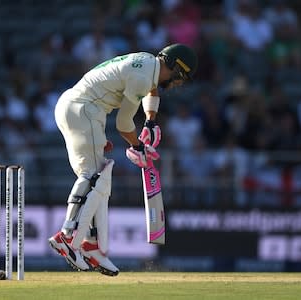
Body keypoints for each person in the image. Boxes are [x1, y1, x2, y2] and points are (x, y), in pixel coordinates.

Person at [48, 44, 198, 276]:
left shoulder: (148, 62)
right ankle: (66, 236)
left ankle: (92, 246)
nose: (179, 83)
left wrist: (150, 121)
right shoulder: (143, 76)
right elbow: (123, 124)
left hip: (79, 108)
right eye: (181, 77)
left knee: (101, 181)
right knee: (93, 175)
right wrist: (138, 146)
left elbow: (151, 90)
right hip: (85, 109)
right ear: (175, 66)